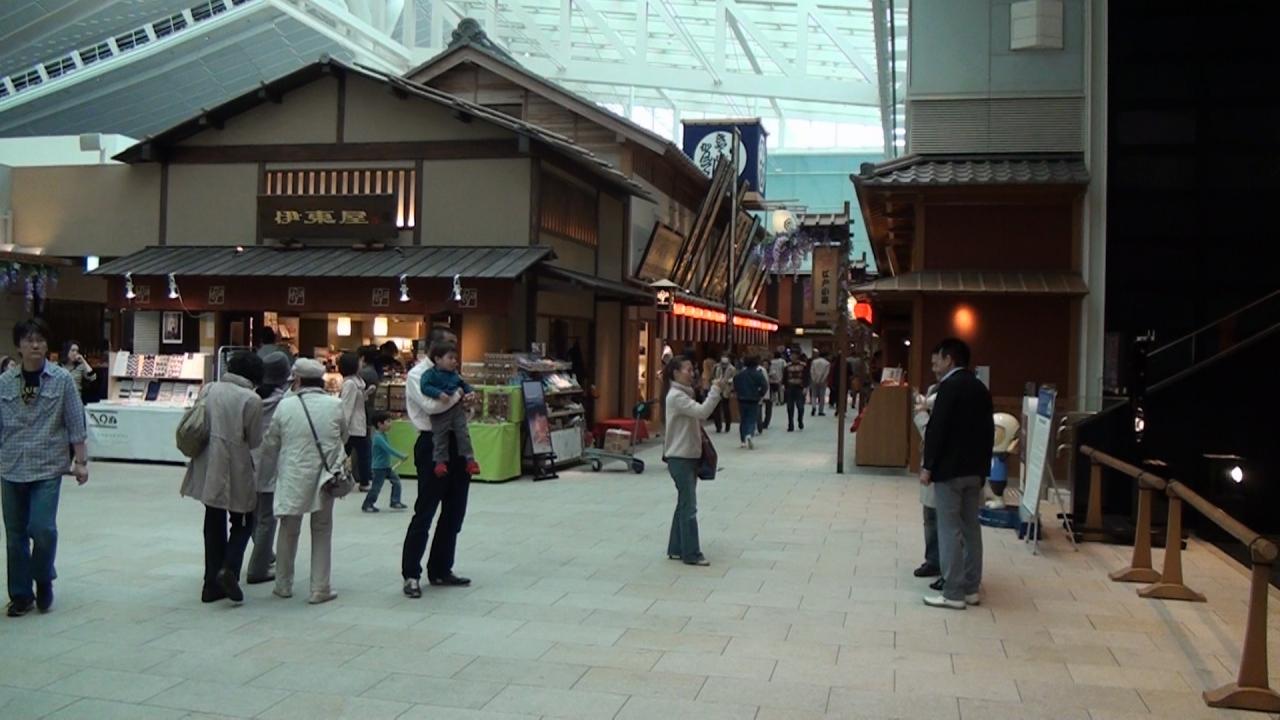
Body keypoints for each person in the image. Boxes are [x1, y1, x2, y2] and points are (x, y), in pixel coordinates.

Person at [1, 319, 89, 616]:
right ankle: (21, 595)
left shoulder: (62, 380)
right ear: (19, 346)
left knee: (42, 528)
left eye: (40, 340)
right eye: (28, 340)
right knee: (15, 536)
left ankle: (43, 576)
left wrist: (81, 461)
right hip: (11, 465)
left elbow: (75, 421)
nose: (35, 345)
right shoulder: (4, 382)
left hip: (47, 467)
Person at [258, 358, 346, 604]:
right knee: (322, 529)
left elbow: (271, 443)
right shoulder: (335, 405)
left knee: (288, 529)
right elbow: (344, 435)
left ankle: (283, 584)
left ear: (297, 379)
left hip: (293, 474)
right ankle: (320, 588)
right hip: (325, 476)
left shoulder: (285, 406)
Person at [180, 351, 264, 605]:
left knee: (213, 519)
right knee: (244, 519)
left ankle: (210, 584)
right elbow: (255, 439)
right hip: (236, 464)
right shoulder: (251, 399)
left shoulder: (210, 389)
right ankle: (229, 568)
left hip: (207, 461)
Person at [920, 338, 994, 610]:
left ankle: (953, 592)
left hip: (949, 471)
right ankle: (972, 588)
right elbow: (988, 432)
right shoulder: (980, 387)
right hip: (975, 471)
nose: (934, 367)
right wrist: (984, 469)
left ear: (949, 359)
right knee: (971, 528)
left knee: (949, 529)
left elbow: (937, 430)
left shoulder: (948, 388)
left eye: (936, 361)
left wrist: (928, 466)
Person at [402, 326, 475, 597]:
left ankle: (442, 568)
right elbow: (432, 406)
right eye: (449, 345)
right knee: (425, 510)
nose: (454, 352)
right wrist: (457, 396)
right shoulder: (417, 375)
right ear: (433, 348)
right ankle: (411, 574)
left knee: (454, 511)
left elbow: (461, 407)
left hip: (456, 442)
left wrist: (468, 401)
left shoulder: (452, 372)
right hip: (431, 442)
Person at [663, 355, 725, 566]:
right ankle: (691, 553)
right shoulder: (677, 397)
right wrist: (715, 390)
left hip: (686, 456)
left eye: (692, 369)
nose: (692, 373)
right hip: (681, 457)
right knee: (689, 507)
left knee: (683, 503)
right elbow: (703, 412)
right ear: (675, 373)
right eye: (687, 370)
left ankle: (676, 548)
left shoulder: (683, 394)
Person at [245, 351, 291, 586]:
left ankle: (264, 553)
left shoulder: (250, 398)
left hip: (245, 462)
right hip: (270, 464)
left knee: (252, 515)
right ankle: (258, 568)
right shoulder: (284, 402)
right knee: (267, 518)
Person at [420, 343, 481, 478]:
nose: (454, 361)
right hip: (440, 413)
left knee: (463, 434)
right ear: (437, 359)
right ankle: (440, 462)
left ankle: (470, 460)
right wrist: (438, 393)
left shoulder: (455, 375)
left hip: (457, 409)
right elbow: (425, 387)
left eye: (455, 358)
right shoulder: (430, 374)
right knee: (440, 437)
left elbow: (464, 385)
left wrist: (470, 392)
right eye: (450, 358)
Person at [912, 380, 943, 587]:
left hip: (942, 470)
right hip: (930, 468)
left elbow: (931, 434)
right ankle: (932, 560)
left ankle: (946, 566)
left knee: (944, 521)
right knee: (929, 518)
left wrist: (921, 414)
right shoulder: (934, 388)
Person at [338, 352, 372, 493]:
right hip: (353, 426)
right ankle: (364, 482)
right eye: (359, 362)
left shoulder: (355, 382)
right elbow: (346, 406)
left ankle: (360, 481)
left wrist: (366, 393)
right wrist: (343, 427)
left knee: (348, 453)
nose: (362, 364)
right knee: (362, 454)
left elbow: (356, 401)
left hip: (356, 424)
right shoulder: (351, 384)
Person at [363, 410, 407, 512]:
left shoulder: (384, 435)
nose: (390, 424)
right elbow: (388, 449)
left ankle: (395, 501)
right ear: (379, 424)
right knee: (376, 487)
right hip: (379, 468)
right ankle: (367, 504)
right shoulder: (378, 437)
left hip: (386, 466)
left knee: (396, 482)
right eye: (388, 421)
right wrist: (401, 456)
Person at [732, 356, 768, 449]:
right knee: (751, 418)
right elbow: (765, 386)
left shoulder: (739, 375)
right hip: (753, 399)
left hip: (741, 399)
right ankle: (749, 434)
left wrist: (738, 392)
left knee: (743, 419)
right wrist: (760, 394)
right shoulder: (758, 374)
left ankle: (742, 441)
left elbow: (735, 384)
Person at [710, 354, 735, 434]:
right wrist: (714, 382)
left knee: (726, 409)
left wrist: (731, 386)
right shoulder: (716, 367)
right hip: (717, 388)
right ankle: (718, 426)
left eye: (725, 364)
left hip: (726, 389)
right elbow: (712, 376)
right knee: (716, 408)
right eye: (722, 364)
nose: (724, 365)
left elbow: (734, 378)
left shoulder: (732, 368)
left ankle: (727, 426)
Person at [783, 352, 807, 431]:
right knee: (790, 407)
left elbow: (806, 376)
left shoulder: (803, 365)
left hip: (799, 388)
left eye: (794, 355)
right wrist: (784, 386)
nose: (792, 357)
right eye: (791, 356)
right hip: (790, 388)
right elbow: (785, 377)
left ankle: (800, 420)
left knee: (800, 406)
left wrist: (805, 387)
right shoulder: (787, 366)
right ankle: (790, 424)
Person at [809, 350, 831, 417]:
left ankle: (814, 406)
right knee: (822, 396)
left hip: (814, 380)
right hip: (823, 381)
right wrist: (822, 379)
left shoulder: (814, 362)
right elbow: (826, 373)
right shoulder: (827, 363)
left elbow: (811, 371)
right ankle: (820, 411)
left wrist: (814, 379)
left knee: (814, 395)